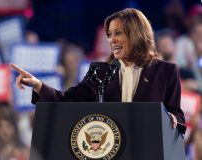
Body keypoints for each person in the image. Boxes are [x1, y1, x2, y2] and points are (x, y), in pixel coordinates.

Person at [10, 8, 185, 132]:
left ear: (136, 34)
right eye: (109, 35)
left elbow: (177, 115)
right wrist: (38, 85)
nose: (112, 40)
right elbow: (68, 101)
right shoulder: (100, 71)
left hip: (149, 158)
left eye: (118, 33)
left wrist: (171, 119)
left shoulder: (166, 71)